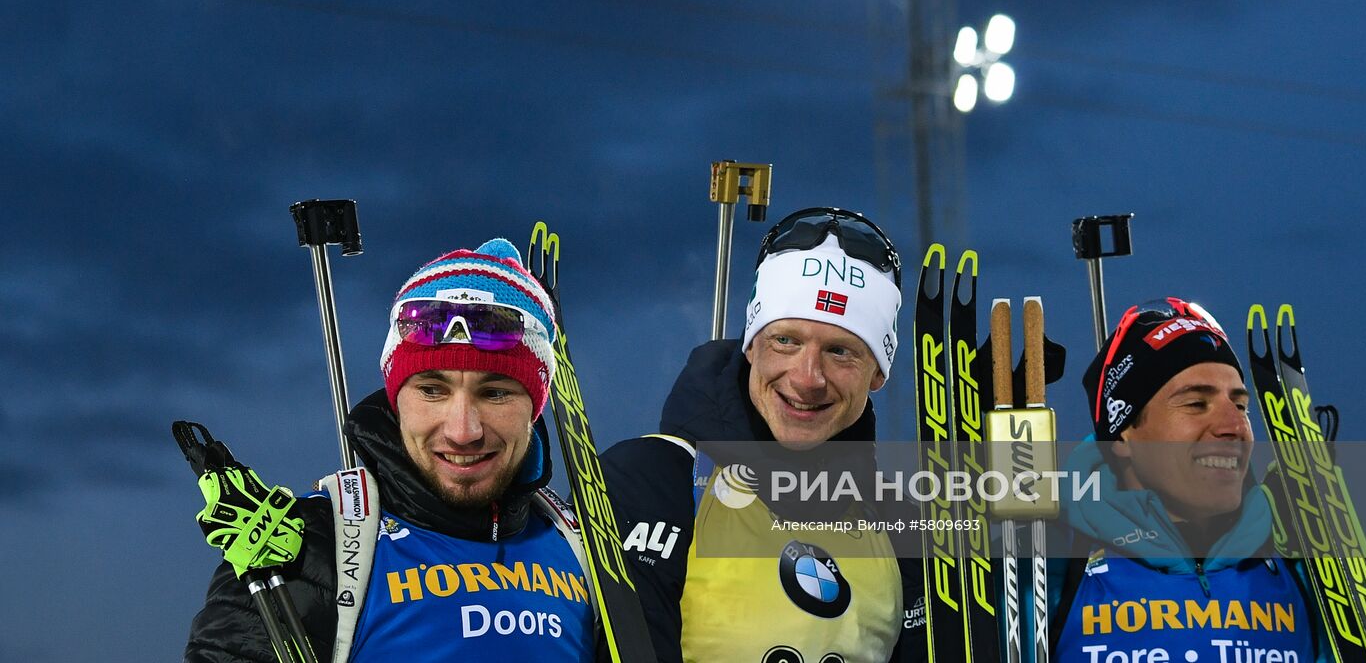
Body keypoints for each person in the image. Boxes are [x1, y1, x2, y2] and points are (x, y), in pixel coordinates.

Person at [186, 239, 596, 662]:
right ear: (395, 398)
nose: (463, 431)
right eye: (432, 390)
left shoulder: (580, 548)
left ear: (536, 405)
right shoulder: (306, 549)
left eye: (494, 393)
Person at [601, 207, 926, 663]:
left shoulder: (903, 527)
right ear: (751, 343)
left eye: (841, 351)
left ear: (878, 373)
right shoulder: (650, 481)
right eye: (786, 341)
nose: (808, 377)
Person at [1046, 296, 1331, 661]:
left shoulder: (1302, 567)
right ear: (1123, 435)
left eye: (1241, 406)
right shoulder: (1053, 559)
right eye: (1196, 403)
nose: (1234, 427)